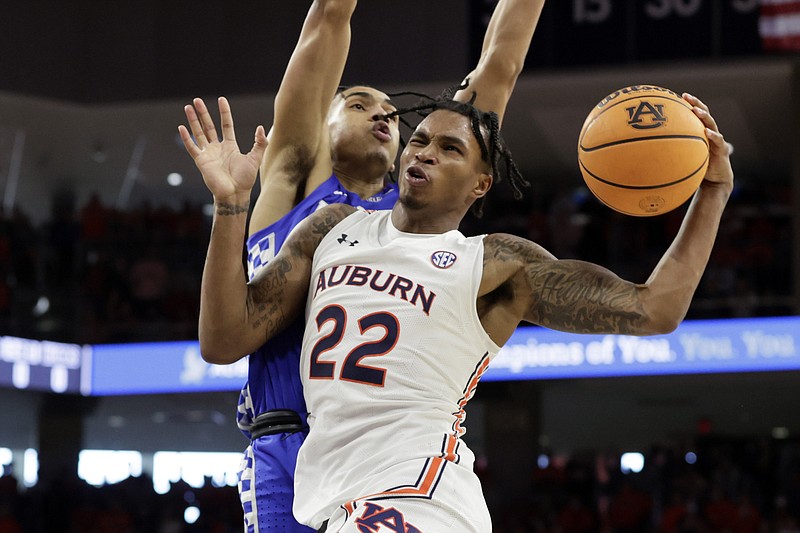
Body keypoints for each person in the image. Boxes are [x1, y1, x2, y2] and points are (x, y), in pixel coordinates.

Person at [184, 87, 733, 530]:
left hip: (419, 496)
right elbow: (224, 340)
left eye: (450, 149)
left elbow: (654, 308)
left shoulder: (494, 264)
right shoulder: (330, 228)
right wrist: (231, 205)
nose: (423, 152)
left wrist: (711, 192)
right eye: (419, 140)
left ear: (481, 184)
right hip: (333, 502)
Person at [181, 1, 545, 531]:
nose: (382, 115)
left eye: (394, 117)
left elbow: (499, 67)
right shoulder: (290, 182)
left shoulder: (422, 213)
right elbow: (329, 17)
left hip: (387, 453)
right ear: (319, 126)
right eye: (357, 104)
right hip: (286, 447)